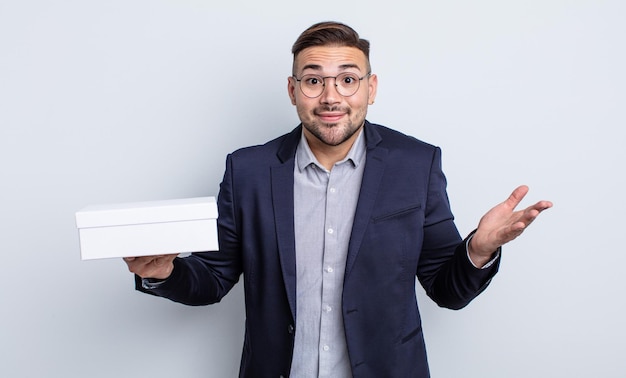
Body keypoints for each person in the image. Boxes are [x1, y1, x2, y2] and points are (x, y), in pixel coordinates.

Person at [124, 21, 552, 378]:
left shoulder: (416, 165)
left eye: (348, 80)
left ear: (371, 88)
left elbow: (447, 289)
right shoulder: (248, 171)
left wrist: (478, 250)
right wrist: (165, 272)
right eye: (314, 81)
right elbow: (213, 279)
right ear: (293, 90)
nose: (331, 97)